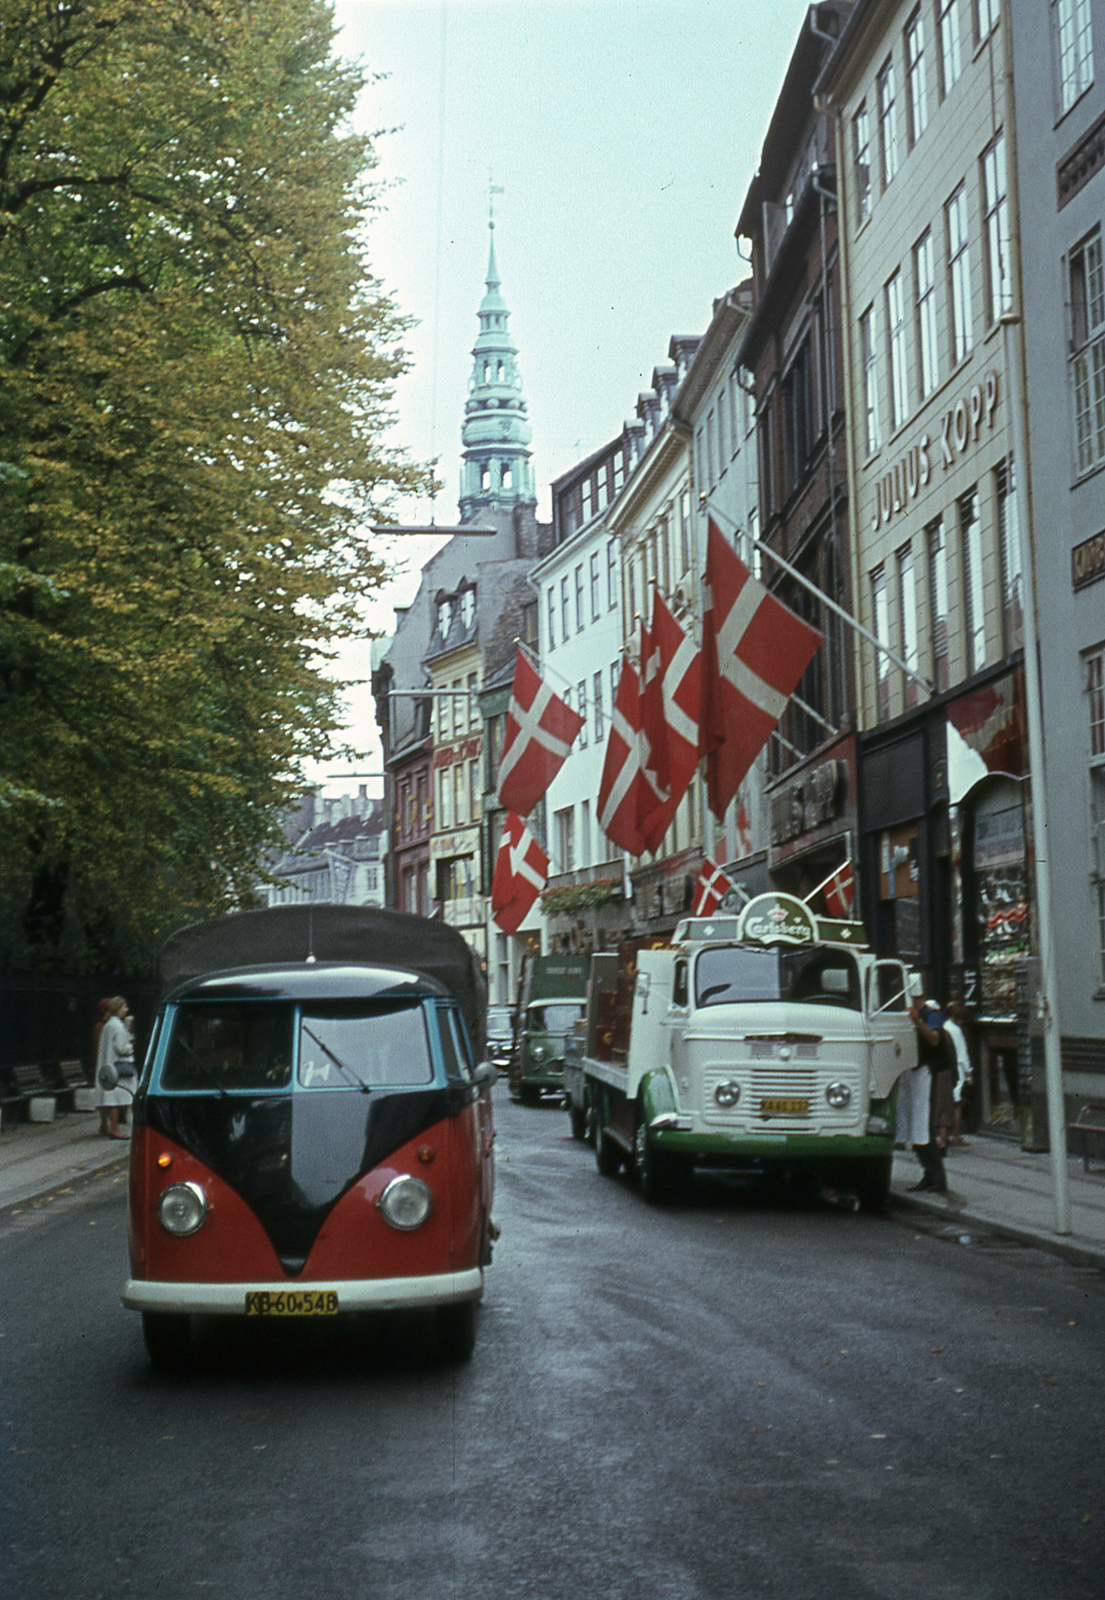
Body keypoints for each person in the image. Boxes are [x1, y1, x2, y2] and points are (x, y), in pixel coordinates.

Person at [907, 998, 950, 1193]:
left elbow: (934, 1039)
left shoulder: (931, 1015)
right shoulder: (911, 1015)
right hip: (916, 1074)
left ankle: (938, 1178)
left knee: (924, 1127)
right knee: (917, 1128)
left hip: (931, 1073)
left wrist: (917, 1022)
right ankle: (929, 1174)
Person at [95, 996, 135, 1139]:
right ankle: (115, 1128)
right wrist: (131, 1046)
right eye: (124, 1007)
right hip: (117, 1067)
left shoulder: (108, 1025)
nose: (126, 1010)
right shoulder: (118, 1026)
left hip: (107, 1064)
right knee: (115, 1099)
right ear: (118, 1009)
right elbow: (121, 1048)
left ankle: (104, 1125)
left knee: (108, 1097)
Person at [944, 1000, 973, 1146]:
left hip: (946, 1069)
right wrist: (969, 1072)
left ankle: (945, 1135)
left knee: (947, 1103)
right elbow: (962, 1054)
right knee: (957, 1104)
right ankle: (956, 1135)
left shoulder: (944, 1027)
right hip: (958, 1070)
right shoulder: (957, 1031)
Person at [91, 998, 112, 1135]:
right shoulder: (102, 1027)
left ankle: (105, 1123)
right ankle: (105, 1124)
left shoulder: (102, 1026)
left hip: (102, 1063)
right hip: (104, 1064)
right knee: (106, 1096)